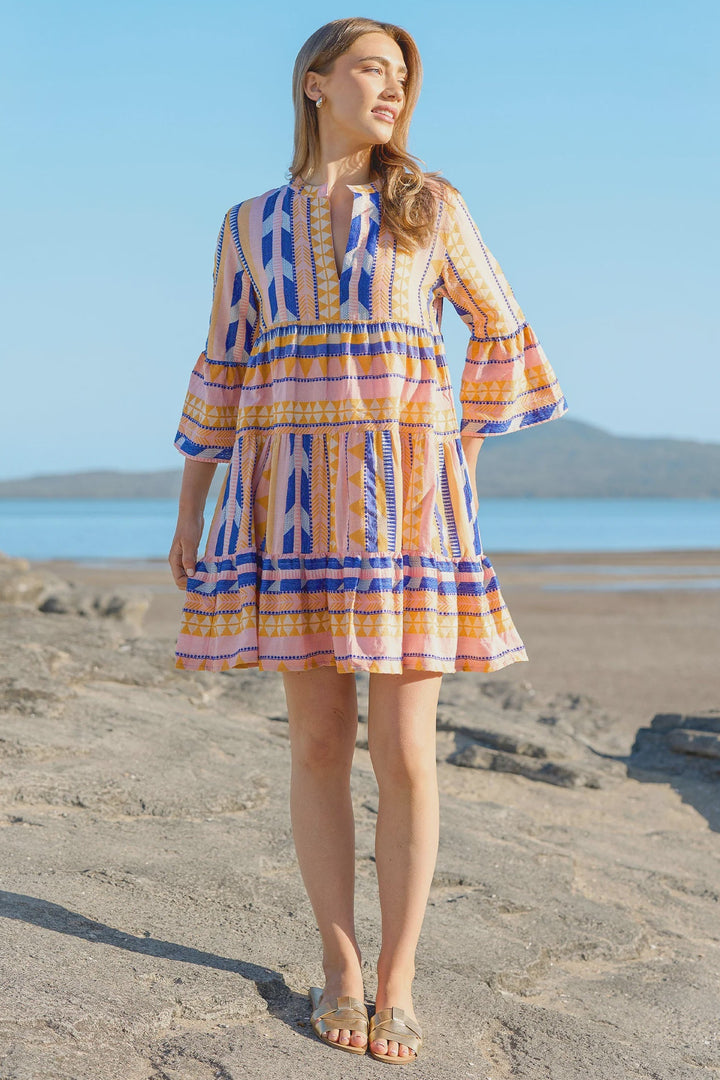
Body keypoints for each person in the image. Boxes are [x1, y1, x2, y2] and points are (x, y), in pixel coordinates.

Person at [168, 16, 567, 1064]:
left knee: (402, 751)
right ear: (315, 84)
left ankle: (399, 979)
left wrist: (460, 450)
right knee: (313, 742)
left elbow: (505, 327)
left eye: (401, 78)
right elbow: (223, 366)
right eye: (370, 72)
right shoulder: (246, 223)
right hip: (286, 503)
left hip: (407, 508)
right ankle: (338, 965)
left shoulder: (431, 207)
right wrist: (190, 512)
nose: (390, 92)